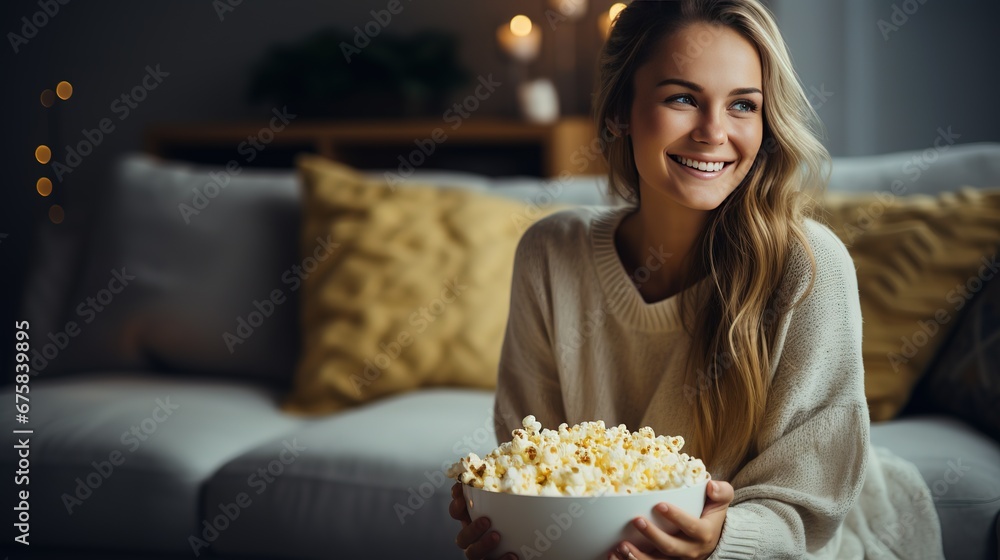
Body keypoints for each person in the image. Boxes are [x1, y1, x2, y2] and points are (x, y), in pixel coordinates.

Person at [450, 0, 945, 558]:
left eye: (742, 105)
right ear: (619, 112)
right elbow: (531, 455)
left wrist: (720, 542)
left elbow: (807, 504)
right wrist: (512, 517)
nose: (714, 132)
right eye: (682, 98)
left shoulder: (809, 269)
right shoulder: (550, 256)